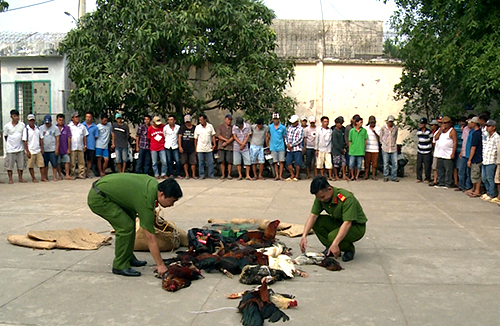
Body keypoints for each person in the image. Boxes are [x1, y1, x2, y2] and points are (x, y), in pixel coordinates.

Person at [87, 174, 182, 277]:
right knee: (125, 227)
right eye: (172, 201)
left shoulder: (154, 185)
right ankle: (120, 265)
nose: (172, 205)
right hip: (99, 198)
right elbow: (150, 237)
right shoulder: (146, 199)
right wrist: (160, 265)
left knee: (130, 220)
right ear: (162, 194)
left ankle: (127, 256)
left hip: (105, 191)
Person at [300, 176, 367, 262]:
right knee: (316, 222)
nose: (321, 200)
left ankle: (348, 248)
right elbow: (313, 216)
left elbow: (347, 223)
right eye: (319, 198)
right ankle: (330, 248)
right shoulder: (321, 198)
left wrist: (335, 243)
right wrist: (304, 236)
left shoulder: (346, 198)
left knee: (332, 236)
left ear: (330, 189)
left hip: (356, 227)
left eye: (323, 197)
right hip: (339, 222)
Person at [3, 109, 27, 184]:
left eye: (17, 116)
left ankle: (20, 178)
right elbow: (5, 136)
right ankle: (10, 179)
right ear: (11, 116)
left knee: (21, 165)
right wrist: (10, 144)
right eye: (14, 116)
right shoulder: (7, 126)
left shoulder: (22, 125)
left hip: (20, 148)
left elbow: (24, 136)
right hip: (10, 149)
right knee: (9, 165)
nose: (16, 117)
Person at [433, 116, 457, 189]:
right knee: (440, 168)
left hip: (448, 154)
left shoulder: (452, 131)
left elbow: (455, 142)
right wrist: (440, 130)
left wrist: (453, 152)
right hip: (440, 153)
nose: (445, 124)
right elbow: (435, 138)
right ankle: (441, 182)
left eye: (446, 123)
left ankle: (448, 183)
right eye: (443, 123)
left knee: (448, 170)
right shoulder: (440, 131)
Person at [480, 120, 500, 201]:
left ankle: (492, 194)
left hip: (491, 160)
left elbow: (498, 150)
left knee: (490, 178)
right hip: (485, 159)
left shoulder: (497, 137)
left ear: (494, 127)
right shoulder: (486, 135)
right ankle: (488, 192)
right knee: (484, 178)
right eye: (486, 126)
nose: (487, 128)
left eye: (489, 126)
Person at [22, 114, 45, 183]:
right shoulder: (26, 129)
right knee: (31, 165)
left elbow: (41, 139)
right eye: (30, 121)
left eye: (32, 120)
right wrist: (27, 151)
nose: (31, 122)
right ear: (28, 121)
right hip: (31, 150)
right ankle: (33, 178)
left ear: (34, 120)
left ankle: (43, 177)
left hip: (37, 149)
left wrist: (41, 148)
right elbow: (25, 141)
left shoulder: (38, 128)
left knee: (41, 164)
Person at [194, 114, 216, 179]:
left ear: (205, 120)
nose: (200, 121)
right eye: (199, 120)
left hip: (209, 147)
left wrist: (214, 144)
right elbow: (195, 138)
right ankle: (201, 175)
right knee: (201, 162)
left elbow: (213, 135)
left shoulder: (210, 126)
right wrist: (195, 148)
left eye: (201, 120)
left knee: (210, 162)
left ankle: (211, 174)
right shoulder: (197, 127)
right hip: (200, 148)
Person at [39, 114, 60, 182]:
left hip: (52, 149)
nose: (47, 124)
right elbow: (40, 139)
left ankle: (54, 177)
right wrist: (41, 148)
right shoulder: (41, 128)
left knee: (54, 164)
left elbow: (57, 138)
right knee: (45, 164)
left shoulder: (55, 128)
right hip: (45, 149)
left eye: (48, 123)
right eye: (46, 123)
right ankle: (46, 176)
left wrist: (57, 148)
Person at [466, 117, 483, 198]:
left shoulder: (477, 134)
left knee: (476, 174)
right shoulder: (476, 132)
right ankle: (473, 188)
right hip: (476, 157)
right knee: (473, 174)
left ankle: (477, 190)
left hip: (476, 157)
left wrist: (469, 159)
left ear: (474, 123)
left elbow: (473, 147)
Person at [68, 112, 88, 179]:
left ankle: (81, 174)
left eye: (78, 117)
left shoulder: (82, 126)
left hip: (80, 146)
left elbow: (84, 136)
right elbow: (68, 137)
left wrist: (85, 145)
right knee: (72, 162)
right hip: (72, 147)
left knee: (81, 162)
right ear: (72, 118)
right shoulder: (69, 126)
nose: (77, 118)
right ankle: (72, 174)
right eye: (76, 117)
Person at [348, 115, 368, 181]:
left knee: (359, 165)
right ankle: (352, 176)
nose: (361, 124)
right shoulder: (352, 131)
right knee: (351, 164)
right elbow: (350, 141)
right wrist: (350, 149)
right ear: (356, 123)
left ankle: (357, 176)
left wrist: (364, 148)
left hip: (360, 151)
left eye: (362, 122)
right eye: (360, 122)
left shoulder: (364, 131)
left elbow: (365, 140)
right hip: (353, 150)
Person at [380, 115, 399, 182]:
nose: (390, 123)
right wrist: (383, 144)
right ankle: (386, 176)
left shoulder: (395, 128)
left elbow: (395, 136)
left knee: (395, 163)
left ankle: (394, 177)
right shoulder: (383, 128)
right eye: (389, 122)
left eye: (392, 122)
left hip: (393, 148)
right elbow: (381, 136)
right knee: (386, 163)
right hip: (385, 148)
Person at [285, 114, 304, 181]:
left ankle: (297, 175)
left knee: (297, 163)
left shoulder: (300, 129)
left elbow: (300, 139)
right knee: (288, 162)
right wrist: (287, 144)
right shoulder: (289, 128)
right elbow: (286, 136)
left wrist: (292, 145)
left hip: (297, 148)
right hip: (289, 149)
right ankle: (292, 174)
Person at [269, 112, 287, 181]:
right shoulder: (270, 127)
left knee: (281, 161)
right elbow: (268, 136)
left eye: (276, 119)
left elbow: (284, 136)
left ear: (279, 119)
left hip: (281, 146)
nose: (275, 120)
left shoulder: (282, 127)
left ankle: (280, 175)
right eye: (274, 119)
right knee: (275, 162)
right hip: (273, 146)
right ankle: (276, 175)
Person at [178, 114, 197, 179]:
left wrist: (196, 147)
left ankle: (193, 175)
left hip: (192, 147)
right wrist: (180, 146)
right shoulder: (182, 128)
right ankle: (187, 174)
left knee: (193, 162)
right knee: (184, 161)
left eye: (188, 121)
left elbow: (196, 138)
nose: (187, 123)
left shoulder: (194, 128)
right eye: (186, 122)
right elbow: (179, 137)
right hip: (184, 147)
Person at [163, 114, 182, 179]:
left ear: (174, 120)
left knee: (177, 160)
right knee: (169, 161)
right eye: (169, 120)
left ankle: (178, 173)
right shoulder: (165, 128)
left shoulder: (178, 127)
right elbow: (164, 135)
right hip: (168, 145)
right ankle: (170, 173)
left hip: (175, 146)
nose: (170, 121)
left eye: (172, 120)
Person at [458, 117, 474, 192]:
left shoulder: (475, 131)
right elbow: (464, 141)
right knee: (461, 170)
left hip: (470, 154)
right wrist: (461, 151)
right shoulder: (465, 129)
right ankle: (461, 186)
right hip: (464, 152)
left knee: (469, 172)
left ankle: (468, 186)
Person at [216, 114, 234, 179]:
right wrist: (225, 140)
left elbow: (233, 136)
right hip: (221, 146)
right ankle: (223, 174)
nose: (229, 121)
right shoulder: (220, 126)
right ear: (225, 119)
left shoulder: (232, 127)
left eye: (230, 120)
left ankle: (229, 174)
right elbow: (218, 135)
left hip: (229, 146)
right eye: (228, 119)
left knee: (229, 161)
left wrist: (227, 142)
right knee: (222, 161)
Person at [315, 116, 333, 180]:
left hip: (328, 149)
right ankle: (322, 176)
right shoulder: (319, 130)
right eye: (325, 121)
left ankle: (330, 176)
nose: (326, 123)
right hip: (320, 149)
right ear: (321, 122)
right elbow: (317, 140)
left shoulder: (330, 130)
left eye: (327, 121)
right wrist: (316, 149)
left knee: (329, 163)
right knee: (320, 164)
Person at [55, 114, 72, 180]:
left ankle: (67, 175)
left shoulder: (67, 128)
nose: (61, 121)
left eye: (62, 120)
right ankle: (59, 175)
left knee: (67, 161)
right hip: (57, 148)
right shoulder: (54, 128)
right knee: (58, 162)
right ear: (57, 120)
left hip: (65, 148)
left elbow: (69, 138)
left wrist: (69, 148)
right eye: (59, 120)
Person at [416, 117, 433, 183]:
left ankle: (427, 178)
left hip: (427, 151)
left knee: (427, 166)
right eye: (420, 123)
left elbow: (431, 140)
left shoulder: (428, 132)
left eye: (422, 123)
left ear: (425, 124)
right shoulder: (418, 131)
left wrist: (430, 148)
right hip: (420, 150)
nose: (421, 124)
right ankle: (419, 178)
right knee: (419, 165)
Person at [364, 116, 380, 180]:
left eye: (373, 122)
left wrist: (374, 132)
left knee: (374, 164)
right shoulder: (366, 128)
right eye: (371, 122)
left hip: (375, 149)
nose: (372, 123)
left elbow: (379, 138)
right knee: (367, 163)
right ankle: (366, 175)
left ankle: (373, 175)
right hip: (367, 148)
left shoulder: (378, 128)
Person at [332, 117, 347, 181]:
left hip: (342, 150)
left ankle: (344, 175)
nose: (341, 125)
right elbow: (335, 143)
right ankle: (336, 175)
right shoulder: (334, 132)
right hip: (336, 151)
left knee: (343, 163)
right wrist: (341, 149)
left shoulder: (341, 131)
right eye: (340, 123)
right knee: (336, 164)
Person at [84, 112, 99, 178]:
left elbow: (96, 136)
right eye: (87, 117)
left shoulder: (95, 127)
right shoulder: (82, 125)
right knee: (83, 160)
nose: (88, 118)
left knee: (90, 160)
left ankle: (87, 173)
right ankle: (82, 173)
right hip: (83, 146)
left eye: (89, 117)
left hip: (91, 146)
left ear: (92, 118)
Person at [428, 119, 440, 186]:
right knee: (434, 167)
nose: (431, 126)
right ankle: (435, 179)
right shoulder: (432, 132)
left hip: (438, 151)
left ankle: (437, 180)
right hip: (434, 151)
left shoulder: (438, 132)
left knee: (437, 167)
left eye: (432, 125)